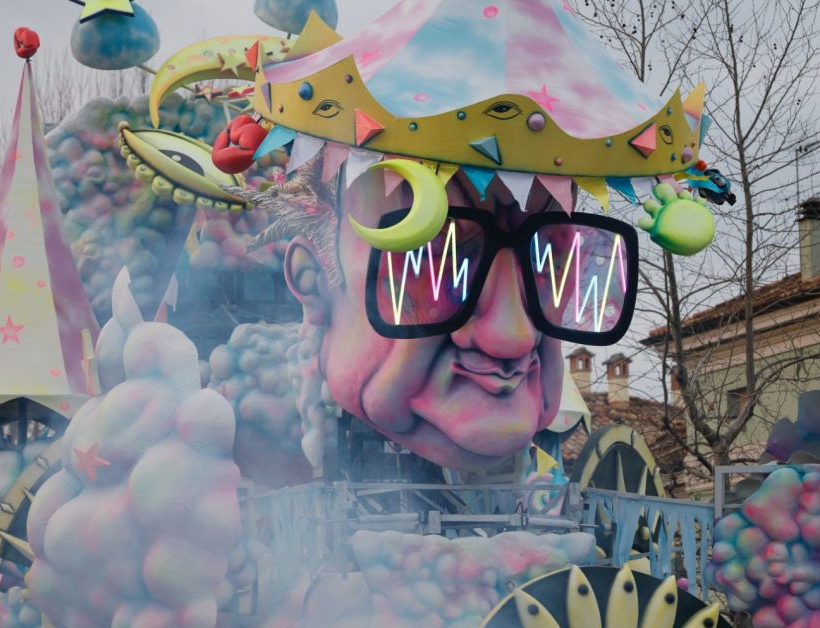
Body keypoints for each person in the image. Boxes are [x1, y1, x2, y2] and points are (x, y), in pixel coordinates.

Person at [222, 0, 718, 479]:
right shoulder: (224, 441)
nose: (512, 336)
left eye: (550, 262)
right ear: (312, 279)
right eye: (433, 263)